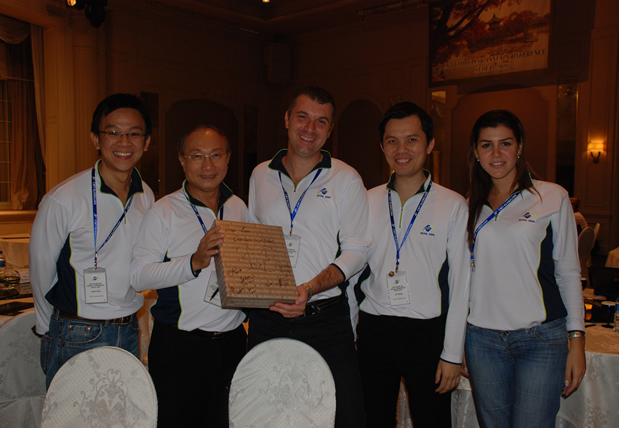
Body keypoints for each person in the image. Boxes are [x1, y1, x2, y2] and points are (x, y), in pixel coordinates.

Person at [247, 85, 370, 427]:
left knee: (343, 414)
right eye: (302, 117)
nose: (310, 128)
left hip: (325, 319)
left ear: (330, 130)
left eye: (321, 121)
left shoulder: (346, 178)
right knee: (266, 412)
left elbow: (357, 251)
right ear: (287, 119)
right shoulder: (260, 175)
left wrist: (310, 288)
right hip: (268, 317)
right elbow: (254, 240)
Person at [464, 110, 586, 427]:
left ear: (519, 147)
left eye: (505, 143)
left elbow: (569, 272)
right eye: (486, 145)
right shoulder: (469, 205)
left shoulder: (551, 196)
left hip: (539, 338)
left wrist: (577, 339)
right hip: (482, 340)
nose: (496, 153)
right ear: (476, 152)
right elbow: (466, 278)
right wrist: (458, 341)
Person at [29, 93, 155, 388]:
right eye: (113, 132)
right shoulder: (64, 198)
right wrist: (49, 328)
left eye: (134, 134)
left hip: (128, 328)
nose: (124, 142)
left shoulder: (146, 195)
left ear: (146, 142)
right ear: (96, 139)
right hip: (77, 331)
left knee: (123, 411)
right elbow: (40, 269)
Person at [357, 102, 470, 427]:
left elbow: (461, 284)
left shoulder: (453, 204)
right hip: (374, 328)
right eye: (392, 141)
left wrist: (452, 353)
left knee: (432, 421)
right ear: (382, 147)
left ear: (430, 144)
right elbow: (353, 273)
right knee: (372, 420)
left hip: (427, 332)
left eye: (412, 139)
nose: (401, 149)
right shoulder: (365, 200)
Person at [130, 125, 247, 427]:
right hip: (181, 348)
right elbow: (139, 276)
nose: (207, 165)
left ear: (228, 158)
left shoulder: (238, 206)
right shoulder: (164, 211)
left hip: (233, 342)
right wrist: (193, 262)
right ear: (182, 160)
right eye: (197, 156)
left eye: (215, 155)